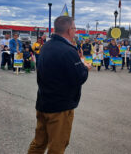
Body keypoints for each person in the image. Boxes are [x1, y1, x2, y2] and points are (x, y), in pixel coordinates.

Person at [28, 16, 90, 153]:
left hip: (43, 103)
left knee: (38, 143)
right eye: (75, 28)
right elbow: (79, 77)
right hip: (60, 108)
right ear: (69, 30)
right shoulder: (68, 50)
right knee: (57, 146)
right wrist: (85, 67)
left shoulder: (46, 46)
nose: (76, 31)